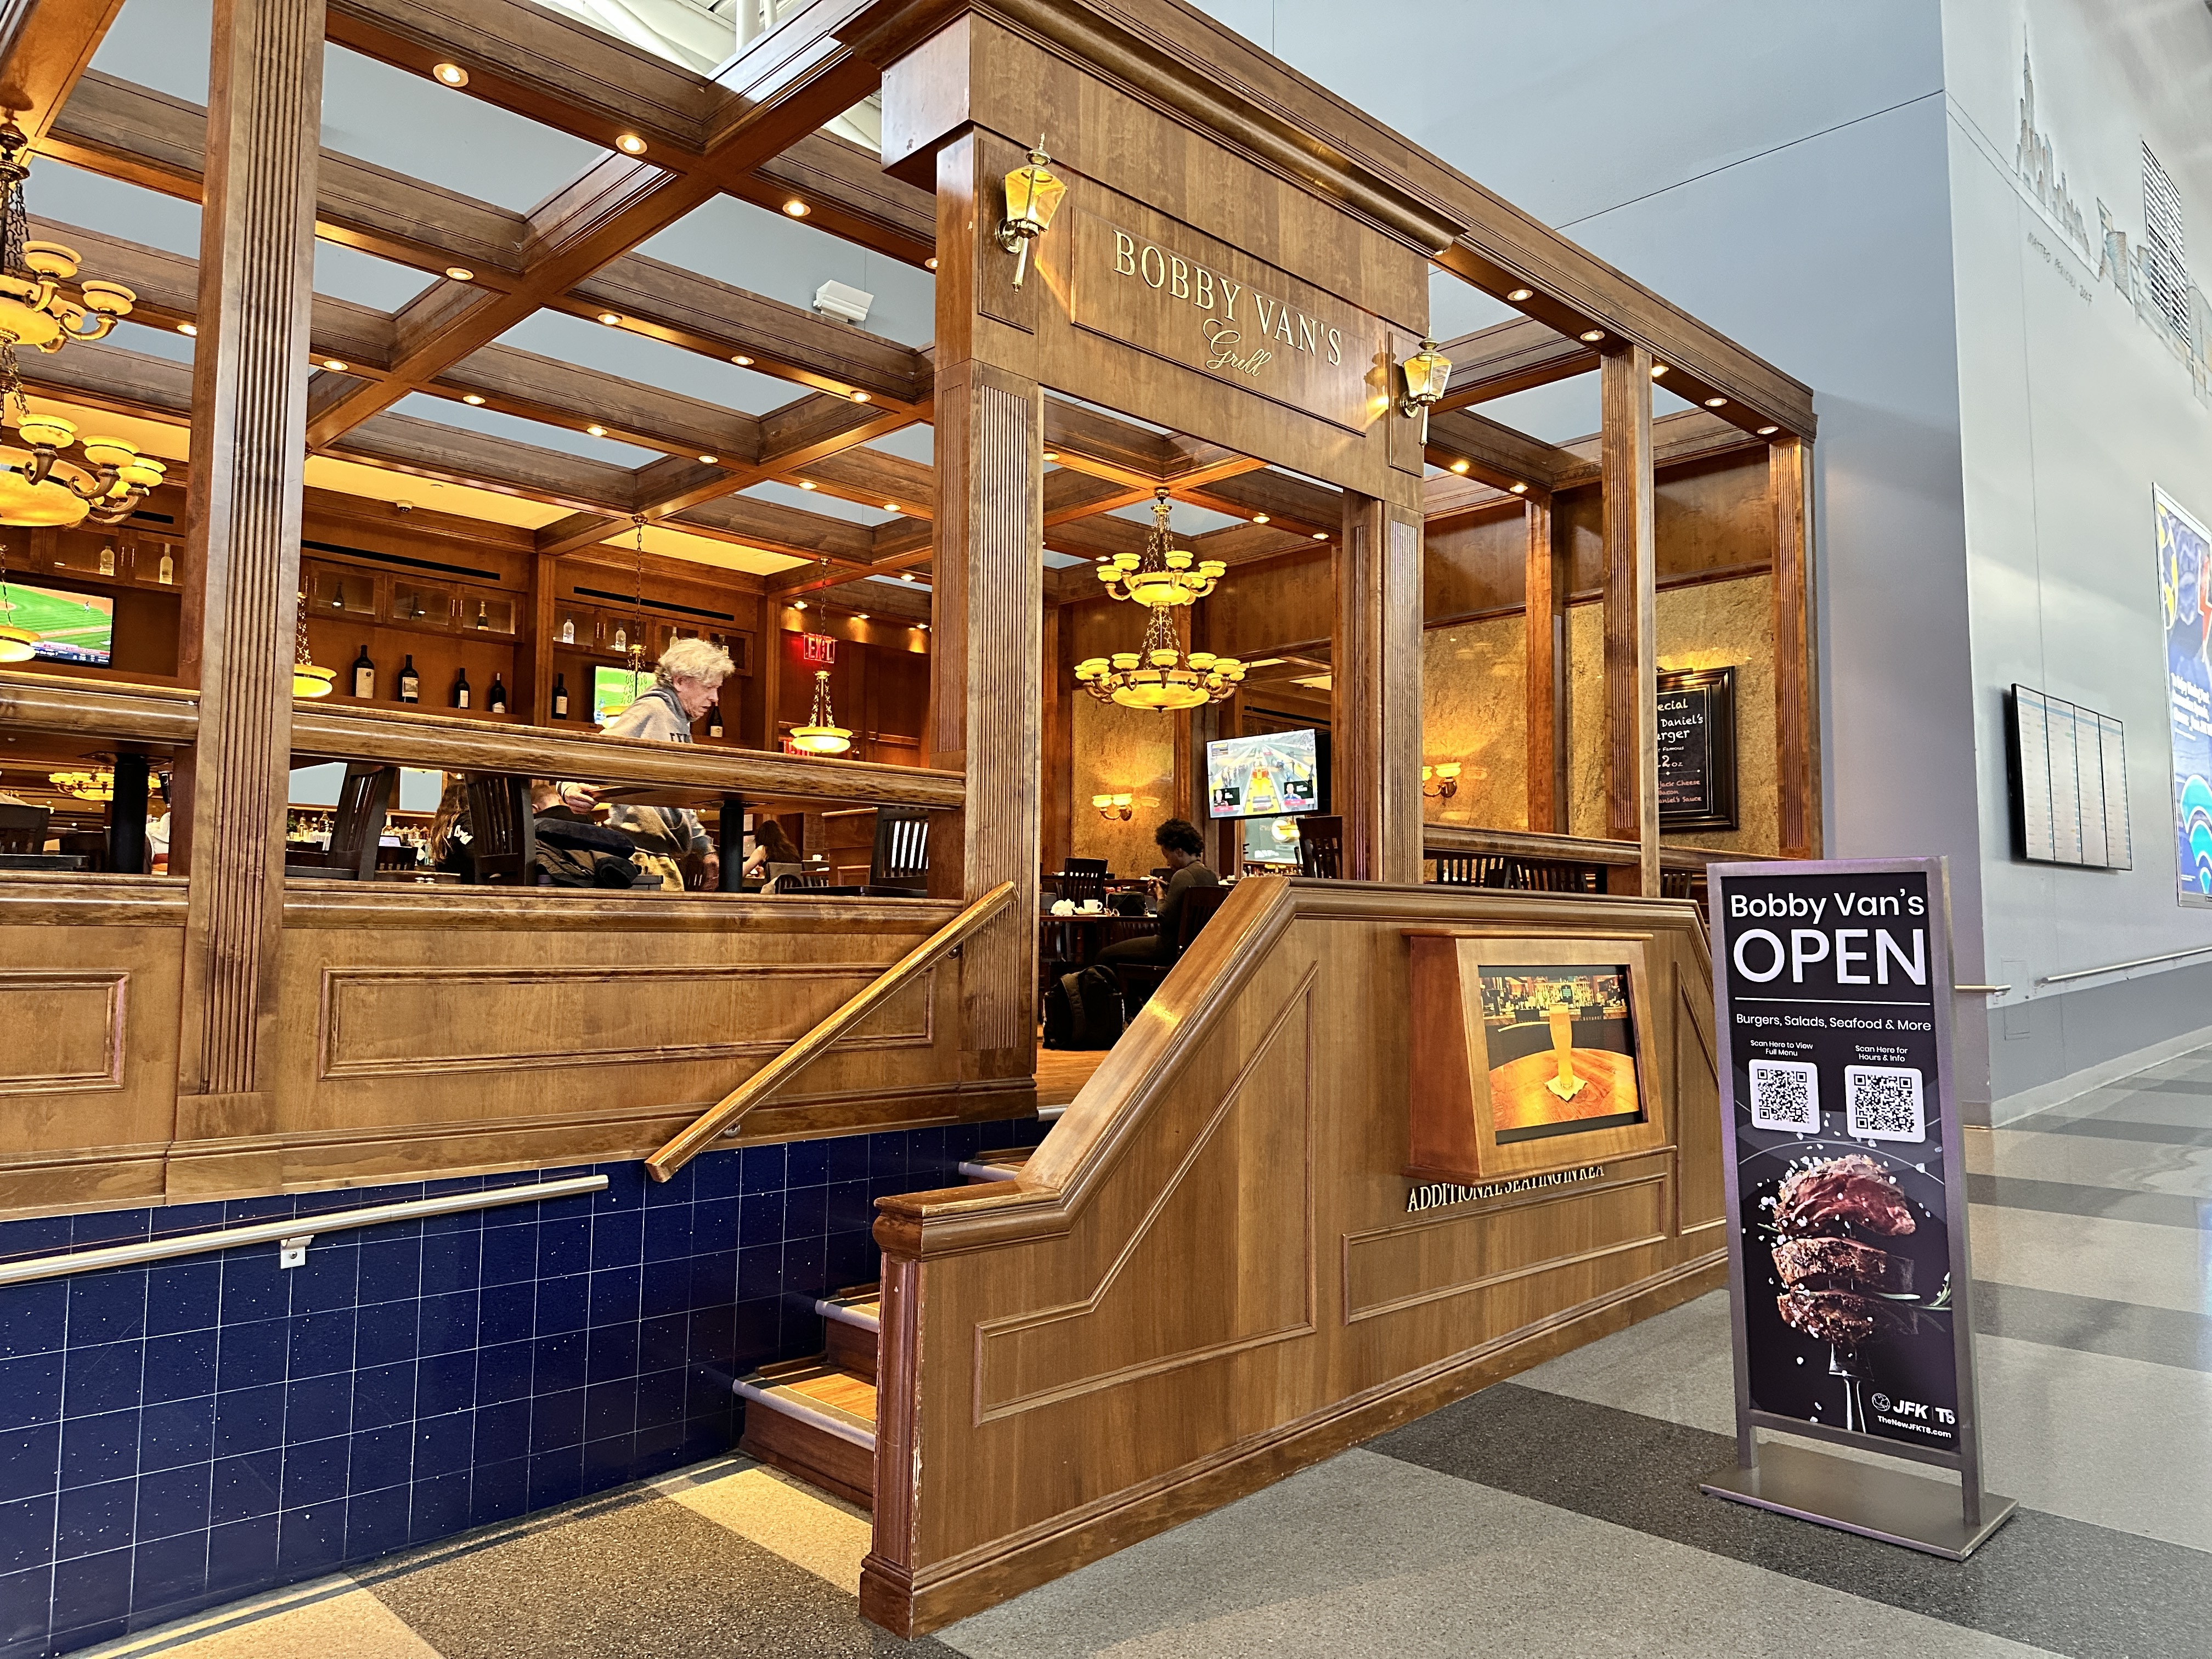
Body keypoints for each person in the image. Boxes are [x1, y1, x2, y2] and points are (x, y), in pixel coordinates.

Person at [592, 638, 735, 890]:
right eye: (710, 687)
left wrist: (705, 848)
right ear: (680, 681)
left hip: (657, 854)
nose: (715, 698)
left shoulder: (678, 720)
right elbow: (594, 752)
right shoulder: (653, 708)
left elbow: (680, 795)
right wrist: (566, 787)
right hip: (641, 856)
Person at [1097, 818, 1218, 974]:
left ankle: (1126, 990)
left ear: (1179, 852)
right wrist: (1168, 891)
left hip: (1168, 948)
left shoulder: (1182, 875)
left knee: (1104, 955)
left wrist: (1160, 896)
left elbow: (1166, 919)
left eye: (1167, 856)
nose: (1167, 863)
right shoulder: (1210, 876)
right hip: (1196, 949)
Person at [742, 815, 803, 885]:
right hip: (795, 889)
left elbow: (742, 872)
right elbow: (784, 874)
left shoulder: (763, 849)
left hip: (774, 890)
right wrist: (766, 872)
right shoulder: (792, 850)